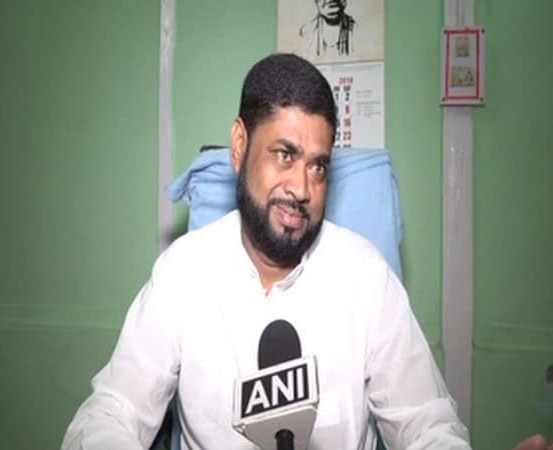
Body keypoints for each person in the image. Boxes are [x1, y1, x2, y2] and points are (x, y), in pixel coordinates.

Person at [62, 53, 472, 449]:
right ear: (240, 145)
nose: (302, 189)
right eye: (285, 155)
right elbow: (112, 415)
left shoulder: (366, 278)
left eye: (317, 166)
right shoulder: (184, 272)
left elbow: (426, 425)